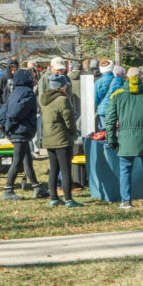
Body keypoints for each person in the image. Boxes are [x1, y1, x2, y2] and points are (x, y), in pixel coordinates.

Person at [106, 67, 143, 209]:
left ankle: (126, 201)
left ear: (126, 77)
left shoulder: (117, 95)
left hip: (125, 139)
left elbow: (110, 119)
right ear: (140, 77)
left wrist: (112, 138)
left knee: (125, 171)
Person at [0, 69, 43, 201]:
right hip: (21, 130)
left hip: (17, 130)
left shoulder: (14, 93)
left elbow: (4, 111)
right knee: (17, 161)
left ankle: (37, 187)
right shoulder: (28, 93)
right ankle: (8, 190)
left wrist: (4, 127)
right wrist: (12, 124)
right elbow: (16, 112)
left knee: (27, 159)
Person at [41, 73, 81, 208]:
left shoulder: (44, 99)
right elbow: (69, 120)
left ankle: (53, 198)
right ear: (61, 86)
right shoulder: (62, 100)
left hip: (48, 138)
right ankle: (69, 199)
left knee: (53, 169)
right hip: (62, 139)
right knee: (65, 170)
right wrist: (74, 134)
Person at [0, 60, 18, 137]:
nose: (13, 69)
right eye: (12, 67)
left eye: (15, 67)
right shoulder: (2, 77)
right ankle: (1, 141)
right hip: (3, 105)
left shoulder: (18, 78)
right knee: (1, 125)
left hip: (14, 106)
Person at [94, 59, 116, 129]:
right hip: (115, 110)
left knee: (103, 132)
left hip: (102, 110)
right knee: (115, 130)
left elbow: (95, 99)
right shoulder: (118, 80)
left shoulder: (98, 82)